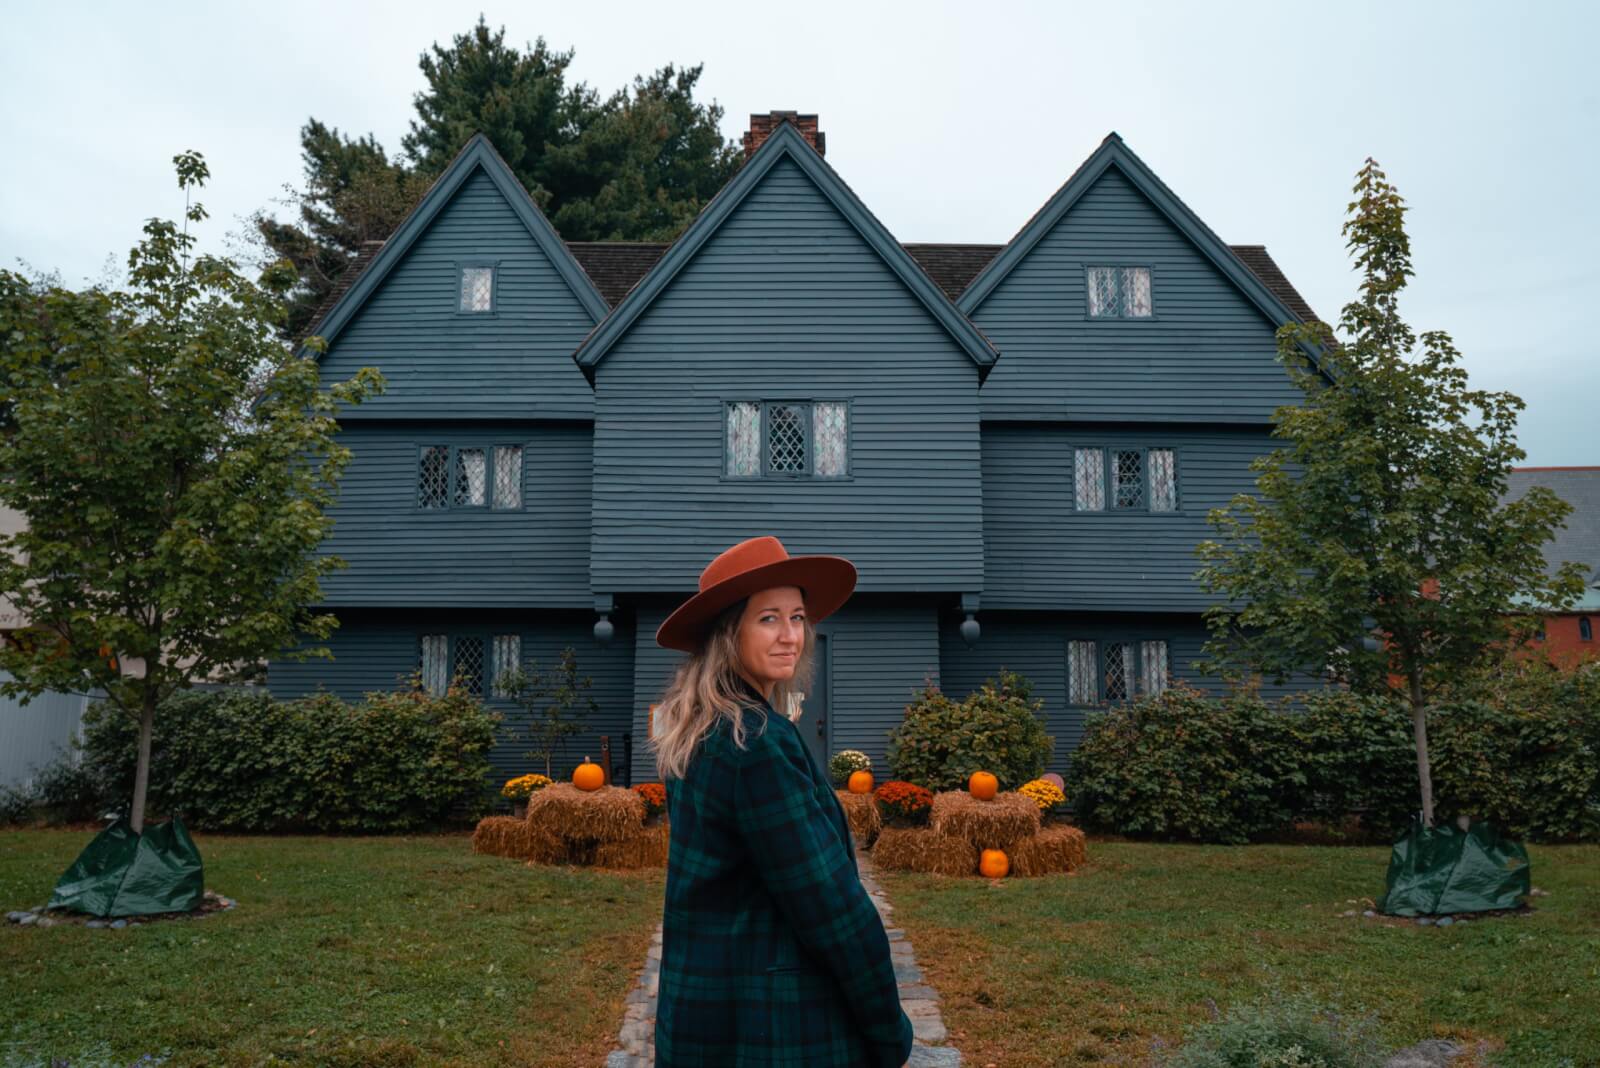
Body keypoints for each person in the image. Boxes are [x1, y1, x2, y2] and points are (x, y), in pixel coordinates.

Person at [649, 535, 915, 1067]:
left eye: (797, 617)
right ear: (729, 634)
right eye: (769, 618)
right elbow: (832, 909)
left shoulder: (703, 727)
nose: (791, 635)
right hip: (775, 1023)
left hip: (710, 1002)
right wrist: (889, 1030)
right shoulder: (755, 743)